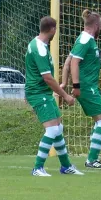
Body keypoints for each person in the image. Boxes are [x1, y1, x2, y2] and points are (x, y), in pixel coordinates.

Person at [25, 16, 83, 176]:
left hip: (42, 92)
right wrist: (65, 95)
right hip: (38, 93)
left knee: (58, 128)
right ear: (52, 30)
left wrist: (59, 87)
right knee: (51, 130)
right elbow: (47, 78)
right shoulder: (40, 49)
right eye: (55, 29)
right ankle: (37, 168)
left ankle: (66, 166)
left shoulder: (37, 44)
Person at [62, 9, 101, 169]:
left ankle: (93, 157)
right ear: (97, 25)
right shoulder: (85, 40)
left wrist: (63, 83)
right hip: (86, 87)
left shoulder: (84, 39)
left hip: (88, 86)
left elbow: (68, 62)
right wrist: (75, 86)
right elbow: (74, 62)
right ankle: (91, 159)